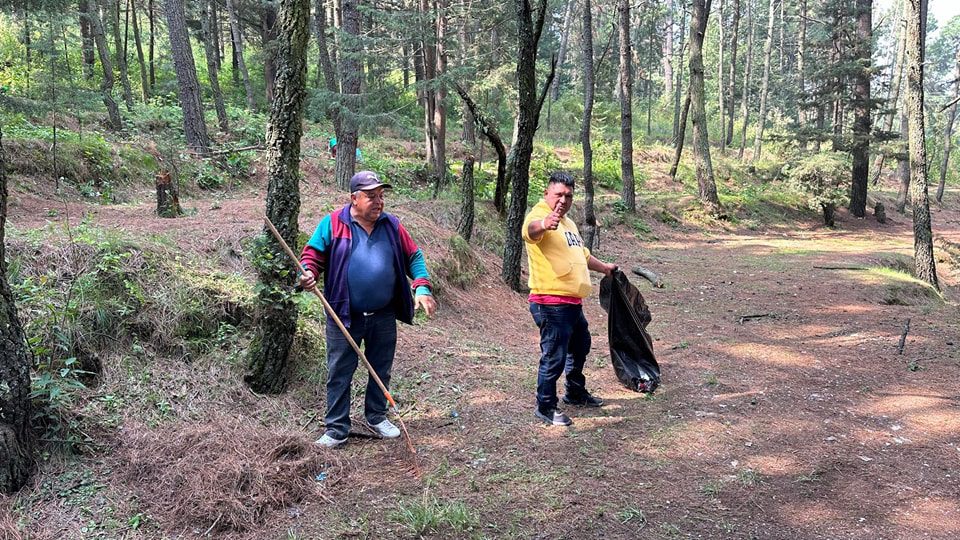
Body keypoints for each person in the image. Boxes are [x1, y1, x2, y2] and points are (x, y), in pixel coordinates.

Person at [299, 170, 437, 448]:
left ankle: (376, 416)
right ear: (354, 198)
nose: (378, 202)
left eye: (381, 196)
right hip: (343, 314)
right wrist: (307, 273)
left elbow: (414, 256)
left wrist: (421, 286)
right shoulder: (333, 223)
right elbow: (312, 256)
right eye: (371, 196)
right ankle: (336, 428)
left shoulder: (392, 225)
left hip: (383, 313)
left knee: (380, 368)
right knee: (339, 371)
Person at [522, 171, 618, 427]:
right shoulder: (538, 215)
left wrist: (605, 268)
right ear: (547, 193)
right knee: (554, 355)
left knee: (580, 346)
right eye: (559, 194)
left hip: (572, 303)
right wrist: (544, 224)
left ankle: (574, 392)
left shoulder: (569, 224)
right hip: (551, 303)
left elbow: (583, 256)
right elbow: (530, 232)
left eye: (569, 195)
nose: (563, 200)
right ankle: (545, 406)